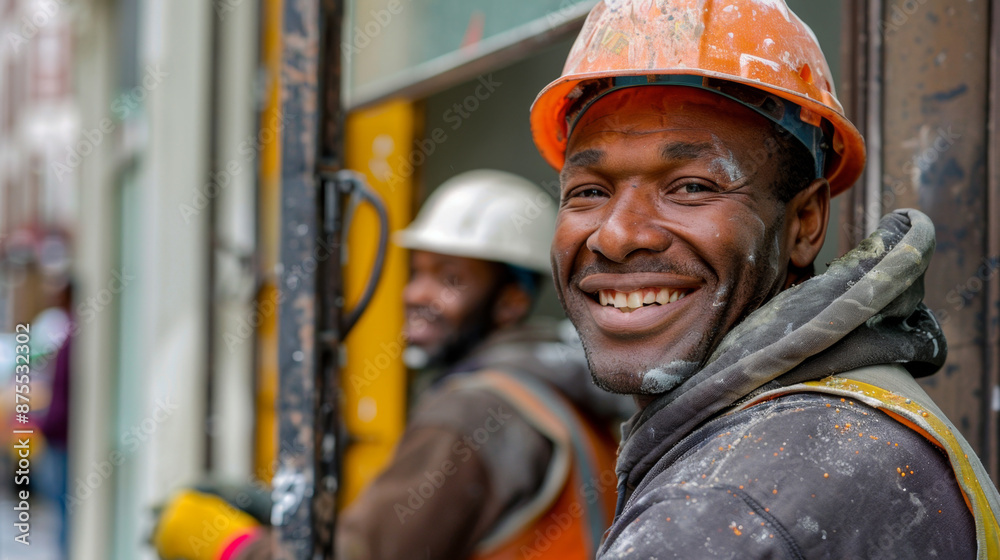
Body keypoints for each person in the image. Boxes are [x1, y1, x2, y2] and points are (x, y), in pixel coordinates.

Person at [528, 0, 1000, 558]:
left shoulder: (724, 506)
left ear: (805, 222)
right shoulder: (851, 422)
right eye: (589, 191)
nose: (616, 235)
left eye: (691, 187)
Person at [153, 170, 629, 560]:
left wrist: (225, 544)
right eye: (417, 271)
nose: (416, 294)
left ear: (511, 301)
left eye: (452, 279)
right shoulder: (561, 396)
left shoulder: (473, 412)